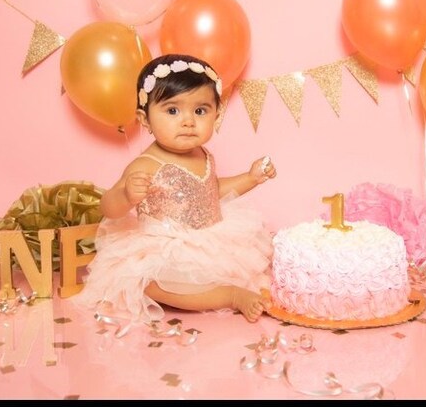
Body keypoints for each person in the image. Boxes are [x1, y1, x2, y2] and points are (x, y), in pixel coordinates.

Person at [74, 54, 277, 324]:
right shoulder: (146, 164)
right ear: (144, 119)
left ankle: (223, 288)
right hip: (165, 246)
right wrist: (125, 196)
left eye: (200, 111)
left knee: (245, 263)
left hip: (211, 237)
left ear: (216, 115)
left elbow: (212, 190)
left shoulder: (203, 154)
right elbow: (108, 207)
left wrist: (251, 178)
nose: (188, 121)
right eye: (172, 111)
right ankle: (230, 296)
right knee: (146, 280)